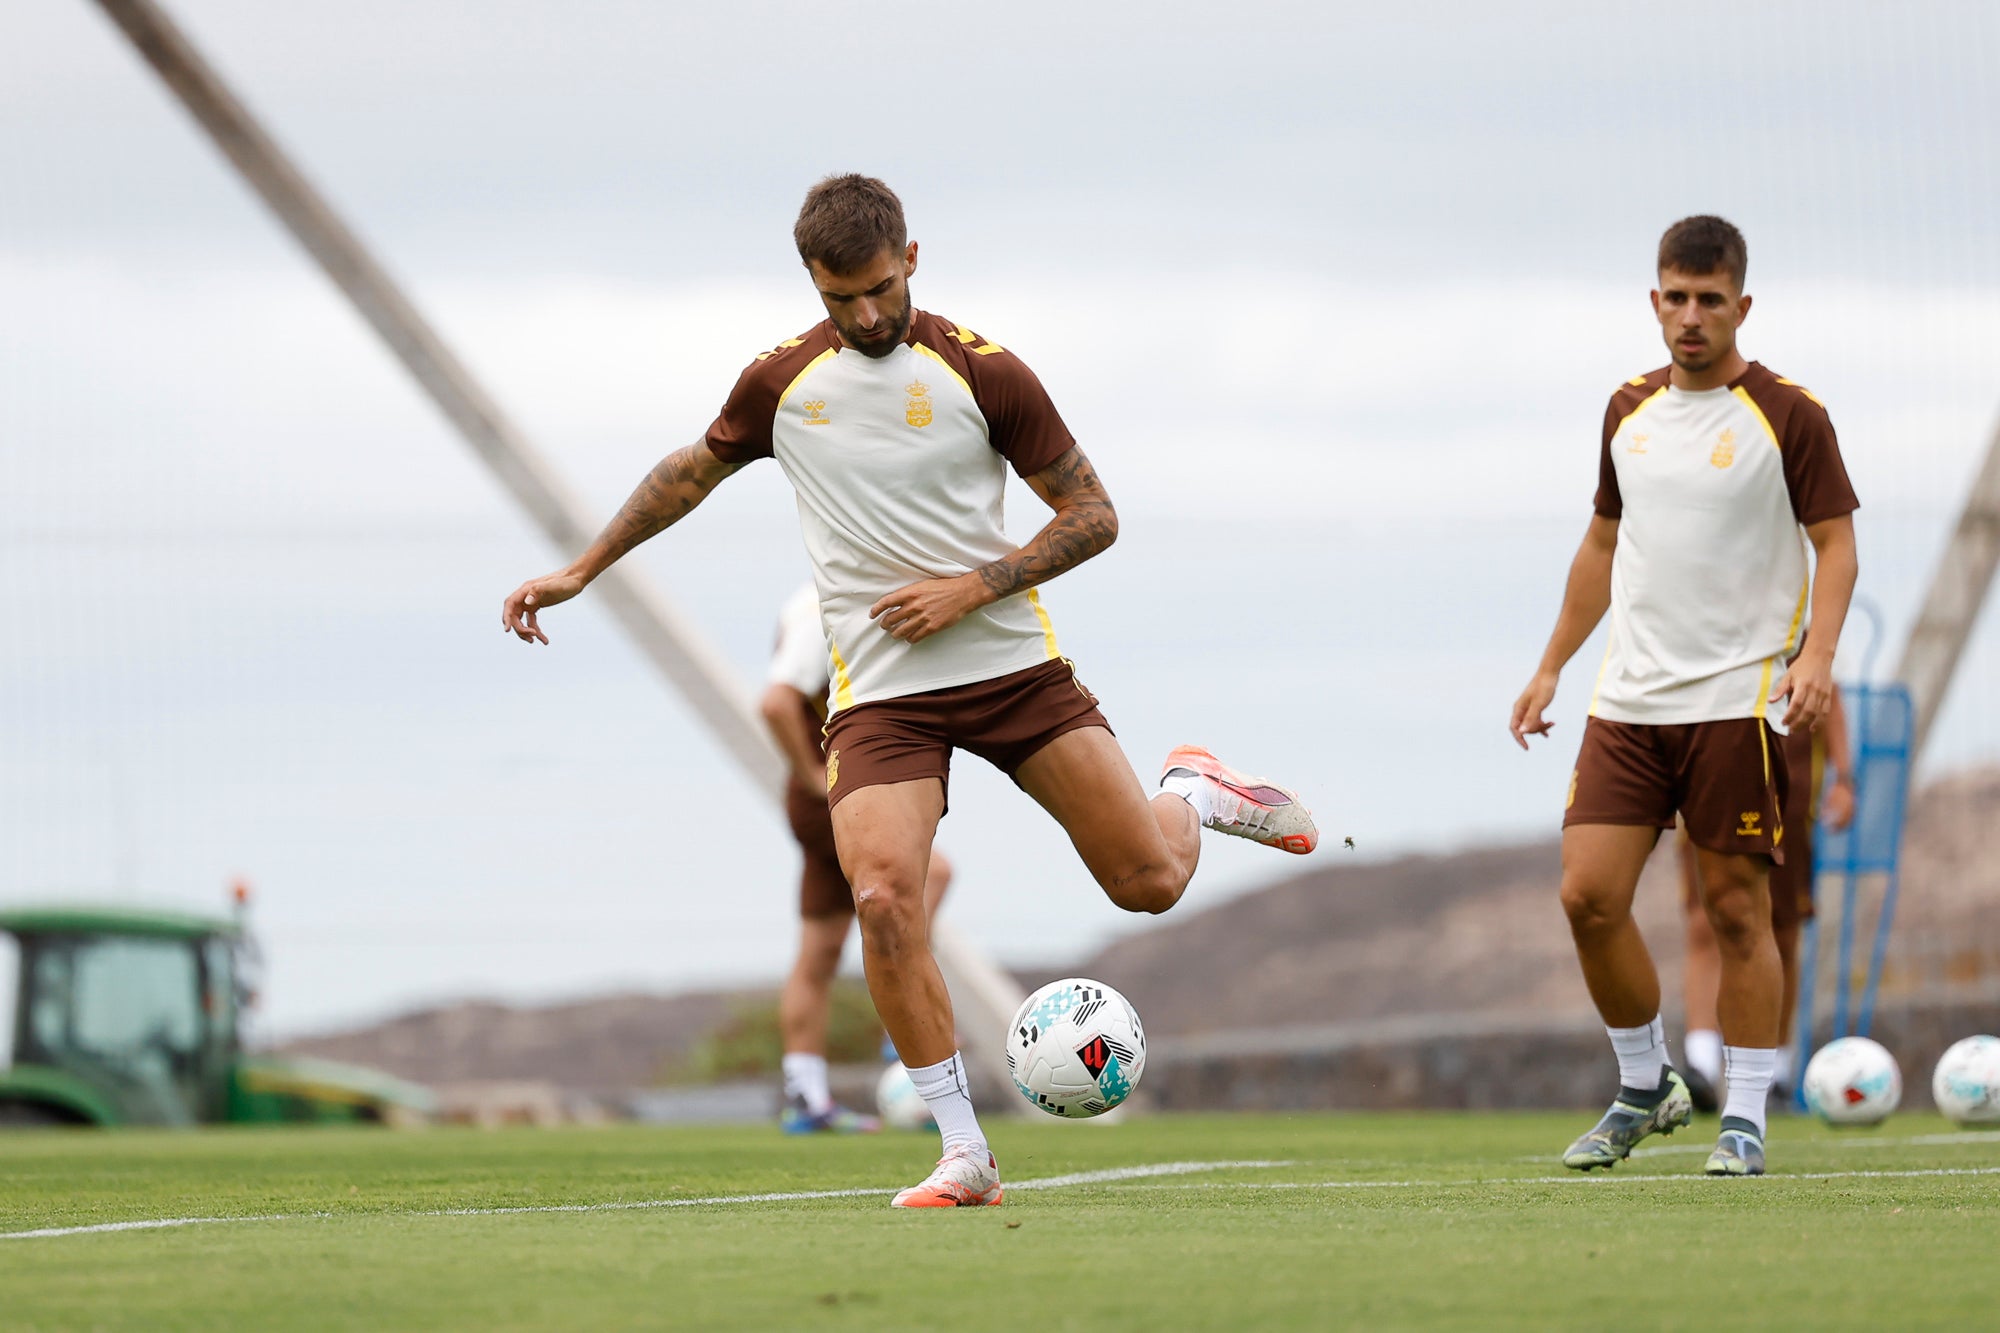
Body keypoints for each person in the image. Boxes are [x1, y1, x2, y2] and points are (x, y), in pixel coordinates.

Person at [504, 174, 1317, 1207]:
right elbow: (684, 474)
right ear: (812, 282)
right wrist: (580, 568)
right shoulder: (781, 384)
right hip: (881, 699)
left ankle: (1192, 791)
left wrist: (970, 587)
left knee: (1146, 883)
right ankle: (963, 1152)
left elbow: (1094, 513)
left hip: (1010, 670)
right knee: (884, 896)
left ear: (912, 260)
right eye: (840, 297)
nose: (865, 315)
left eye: (880, 289)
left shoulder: (984, 372)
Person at [1509, 215, 1859, 1177]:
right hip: (1627, 703)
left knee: (1740, 911)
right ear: (1654, 300)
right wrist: (1550, 667)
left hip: (1735, 703)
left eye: (1711, 299)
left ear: (1742, 305)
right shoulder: (1627, 409)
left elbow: (1837, 543)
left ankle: (1744, 1113)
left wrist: (1816, 655)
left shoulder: (1790, 415)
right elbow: (1600, 543)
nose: (1691, 316)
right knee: (1587, 895)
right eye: (1676, 296)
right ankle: (1645, 1083)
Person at [762, 581, 953, 1133]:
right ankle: (903, 1029)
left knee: (818, 953)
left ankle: (807, 1101)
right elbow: (775, 702)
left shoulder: (833, 595)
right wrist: (814, 777)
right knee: (933, 875)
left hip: (830, 790)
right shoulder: (817, 605)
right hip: (833, 791)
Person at [1680, 672, 1853, 1110]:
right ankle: (1700, 1063)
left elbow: (1826, 686)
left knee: (1782, 929)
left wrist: (1844, 777)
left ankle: (1777, 1067)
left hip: (1787, 804)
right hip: (1708, 785)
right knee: (1705, 922)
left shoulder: (1802, 627)